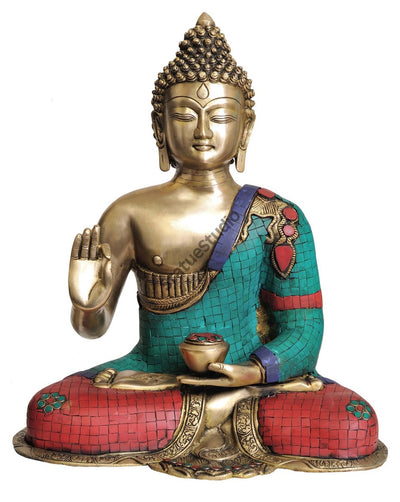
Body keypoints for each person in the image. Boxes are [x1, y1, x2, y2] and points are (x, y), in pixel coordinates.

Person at [17, 13, 385, 478]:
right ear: (159, 126)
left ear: (245, 128)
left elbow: (305, 331)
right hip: (155, 375)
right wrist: (86, 303)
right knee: (53, 412)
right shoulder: (129, 213)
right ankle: (219, 413)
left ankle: (219, 407)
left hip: (254, 382)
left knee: (351, 423)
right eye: (185, 115)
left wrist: (253, 372)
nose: (203, 131)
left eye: (222, 116)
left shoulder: (278, 217)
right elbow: (92, 330)